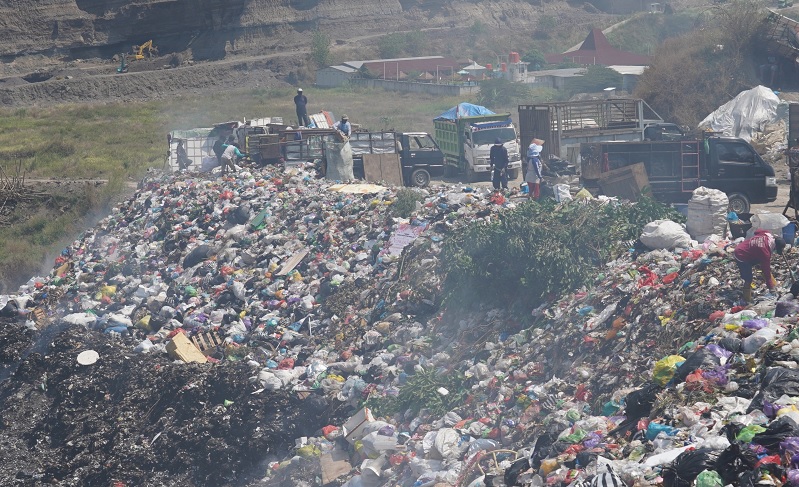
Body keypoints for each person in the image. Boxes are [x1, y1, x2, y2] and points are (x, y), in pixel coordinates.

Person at [734, 229, 786, 302]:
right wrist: (771, 288)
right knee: (748, 278)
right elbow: (766, 271)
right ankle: (747, 300)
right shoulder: (765, 253)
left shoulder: (766, 234)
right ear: (775, 247)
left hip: (747, 249)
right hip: (741, 254)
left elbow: (757, 231)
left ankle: (774, 285)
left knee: (763, 266)